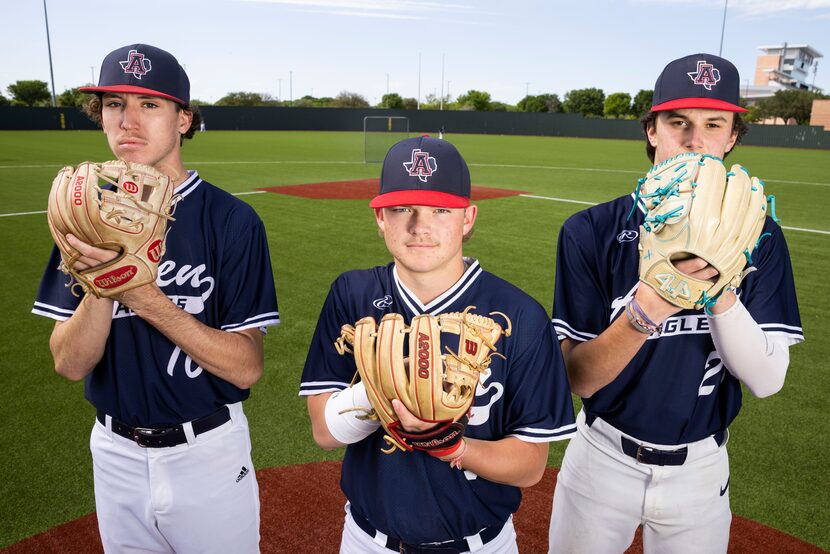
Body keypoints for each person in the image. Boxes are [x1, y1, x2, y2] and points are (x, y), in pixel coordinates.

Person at [547, 53, 803, 553]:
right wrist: (652, 308)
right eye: (677, 122)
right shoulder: (590, 231)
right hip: (601, 458)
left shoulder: (761, 237)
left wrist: (719, 284)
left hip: (701, 473)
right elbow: (577, 380)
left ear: (731, 137)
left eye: (714, 124)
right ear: (652, 131)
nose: (695, 139)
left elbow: (768, 380)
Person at [31, 43, 279, 553]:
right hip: (114, 454)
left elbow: (246, 367)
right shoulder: (80, 214)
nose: (128, 121)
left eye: (150, 105)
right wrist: (102, 277)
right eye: (114, 105)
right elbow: (69, 363)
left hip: (206, 453)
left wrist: (141, 294)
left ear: (184, 119)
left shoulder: (231, 221)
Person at [300, 136, 575, 553]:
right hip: (366, 542)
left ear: (467, 218)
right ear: (380, 218)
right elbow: (324, 432)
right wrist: (381, 389)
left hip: (480, 546)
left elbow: (530, 466)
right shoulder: (352, 294)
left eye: (440, 210)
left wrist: (450, 445)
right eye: (401, 209)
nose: (419, 227)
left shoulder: (518, 315)